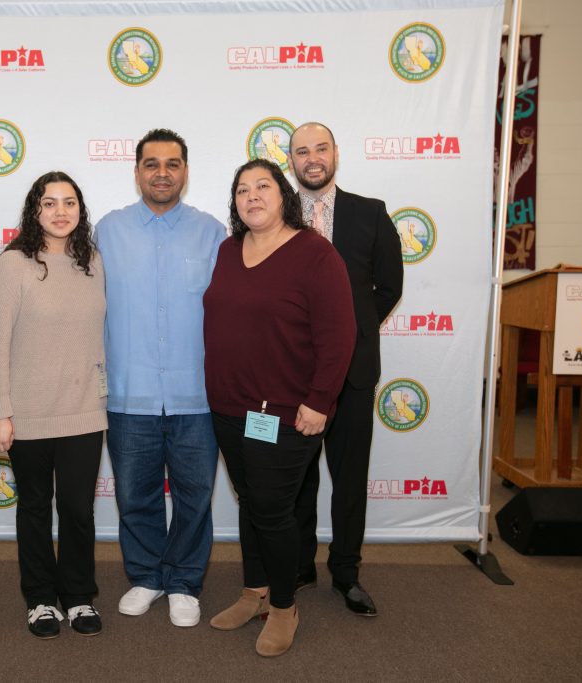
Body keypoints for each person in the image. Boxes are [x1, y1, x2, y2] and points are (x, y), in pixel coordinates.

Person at [204, 159, 356, 657]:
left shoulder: (315, 254)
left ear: (283, 194)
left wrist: (319, 402)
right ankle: (255, 592)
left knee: (272, 510)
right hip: (228, 407)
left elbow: (339, 337)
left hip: (287, 413)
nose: (252, 197)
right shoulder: (229, 250)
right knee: (252, 504)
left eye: (262, 186)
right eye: (242, 190)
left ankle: (285, 606)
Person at [94, 128, 224, 628]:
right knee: (135, 495)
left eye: (172, 163)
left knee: (195, 495)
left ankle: (185, 581)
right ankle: (146, 575)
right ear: (137, 172)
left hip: (198, 398)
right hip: (129, 395)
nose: (162, 173)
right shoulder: (107, 231)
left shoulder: (212, 233)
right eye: (152, 163)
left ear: (186, 172)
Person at [288, 122, 403, 616]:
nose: (312, 158)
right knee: (296, 478)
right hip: (291, 374)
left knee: (350, 477)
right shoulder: (277, 213)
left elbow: (389, 285)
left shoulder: (371, 213)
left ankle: (347, 572)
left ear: (336, 153)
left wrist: (346, 335)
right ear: (290, 160)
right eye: (301, 151)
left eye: (320, 148)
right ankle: (298, 564)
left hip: (353, 373)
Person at [0, 171, 107, 639]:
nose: (61, 212)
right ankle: (39, 599)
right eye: (50, 203)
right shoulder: (13, 265)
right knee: (35, 508)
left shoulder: (92, 261)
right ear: (34, 210)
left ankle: (78, 597)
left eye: (70, 202)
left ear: (80, 210)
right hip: (27, 415)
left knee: (78, 509)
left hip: (84, 410)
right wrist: (1, 411)